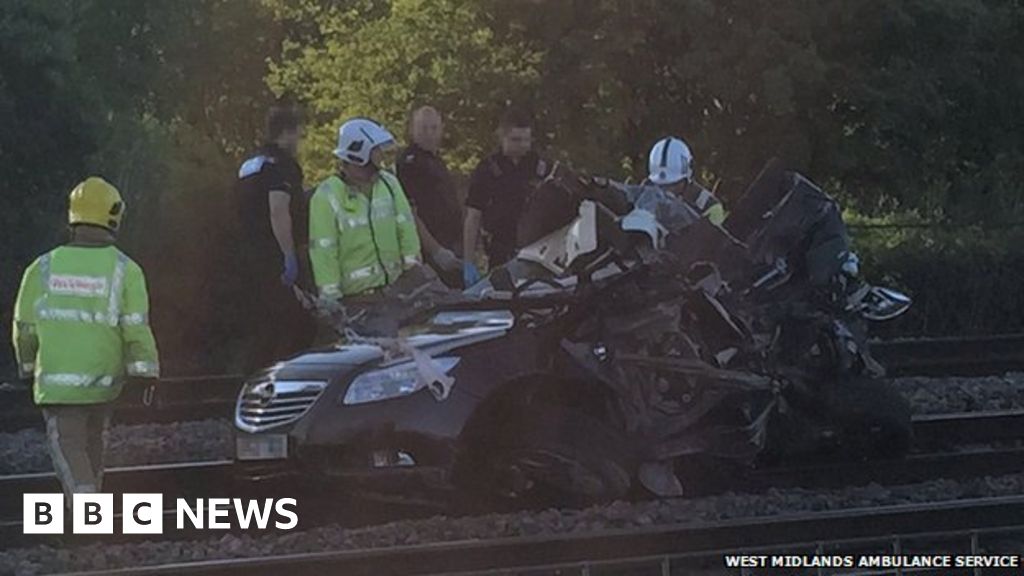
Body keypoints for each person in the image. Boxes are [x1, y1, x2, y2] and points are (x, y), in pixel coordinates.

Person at [12, 177, 160, 500]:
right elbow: (135, 328)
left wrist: (27, 370)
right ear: (113, 215)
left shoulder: (42, 268)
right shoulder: (126, 269)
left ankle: (89, 525)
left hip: (59, 389)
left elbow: (24, 329)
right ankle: (94, 526)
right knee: (93, 452)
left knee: (71, 453)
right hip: (105, 385)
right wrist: (145, 373)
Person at [233, 102, 315, 370]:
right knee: (292, 327)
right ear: (287, 133)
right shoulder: (283, 166)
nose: (299, 142)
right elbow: (278, 211)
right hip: (273, 259)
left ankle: (250, 383)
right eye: (298, 135)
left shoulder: (249, 165)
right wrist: (289, 257)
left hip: (245, 259)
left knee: (258, 329)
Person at [308, 118, 421, 301]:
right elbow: (324, 254)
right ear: (360, 154)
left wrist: (414, 274)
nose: (381, 158)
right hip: (357, 302)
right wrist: (332, 302)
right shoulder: (326, 196)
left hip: (397, 294)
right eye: (376, 152)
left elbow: (406, 229)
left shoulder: (389, 183)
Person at [462, 108, 553, 287]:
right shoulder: (488, 170)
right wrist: (468, 261)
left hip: (537, 251)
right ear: (502, 137)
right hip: (501, 250)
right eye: (516, 140)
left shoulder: (539, 166)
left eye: (526, 140)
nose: (522, 145)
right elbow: (473, 217)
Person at [396, 105, 462, 283]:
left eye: (434, 128)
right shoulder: (410, 164)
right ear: (412, 130)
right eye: (423, 128)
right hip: (431, 253)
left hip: (452, 247)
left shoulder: (435, 160)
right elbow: (409, 213)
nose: (429, 133)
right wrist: (436, 250)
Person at [646, 136, 726, 226]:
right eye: (661, 186)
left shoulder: (709, 207)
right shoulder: (644, 197)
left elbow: (713, 239)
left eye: (674, 184)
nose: (668, 191)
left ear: (687, 177)